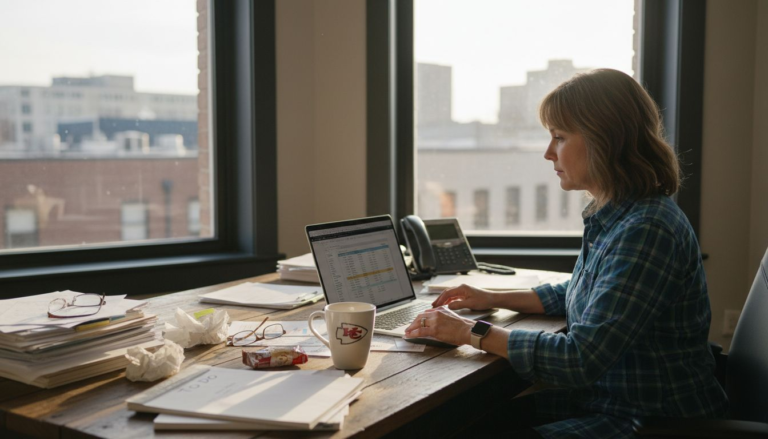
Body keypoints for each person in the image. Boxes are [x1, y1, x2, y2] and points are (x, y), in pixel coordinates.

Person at [404, 69, 728, 438]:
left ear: (605, 140)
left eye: (559, 137)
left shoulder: (646, 229)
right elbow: (580, 292)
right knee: (462, 419)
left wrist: (468, 331)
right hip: (607, 399)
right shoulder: (618, 213)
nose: (548, 153)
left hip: (648, 418)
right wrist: (491, 296)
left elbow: (580, 359)